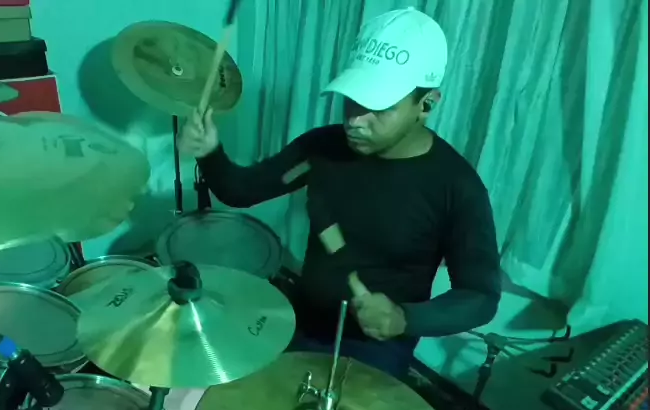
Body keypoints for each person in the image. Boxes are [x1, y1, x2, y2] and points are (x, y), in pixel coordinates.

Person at [178, 7, 501, 379]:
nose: (355, 120)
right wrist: (210, 152)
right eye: (352, 100)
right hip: (299, 319)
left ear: (426, 104)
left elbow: (480, 296)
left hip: (375, 347)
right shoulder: (324, 148)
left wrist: (403, 317)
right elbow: (240, 191)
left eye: (379, 107)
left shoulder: (457, 188)